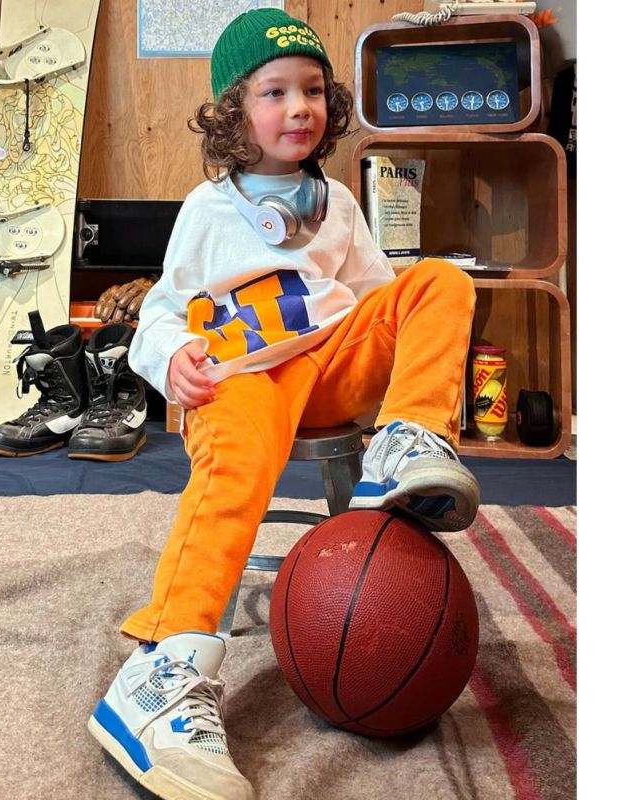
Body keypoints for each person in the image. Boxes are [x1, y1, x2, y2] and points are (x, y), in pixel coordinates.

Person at [87, 9, 479, 800]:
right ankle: (163, 668)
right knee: (233, 472)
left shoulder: (339, 204)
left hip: (330, 366)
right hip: (240, 377)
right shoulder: (207, 210)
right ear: (234, 112)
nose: (300, 107)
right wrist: (173, 356)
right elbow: (161, 310)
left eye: (312, 90)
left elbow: (380, 304)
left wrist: (399, 364)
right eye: (274, 93)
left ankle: (406, 443)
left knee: (439, 281)